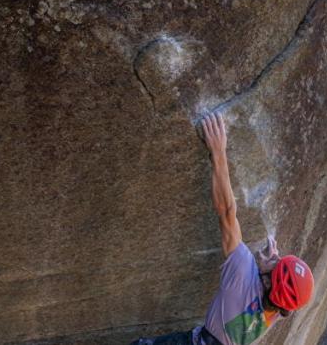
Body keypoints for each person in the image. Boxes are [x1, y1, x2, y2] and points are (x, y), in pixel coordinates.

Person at [131, 112, 314, 345]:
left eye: (277, 263)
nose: (275, 256)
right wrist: (270, 267)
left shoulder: (241, 271)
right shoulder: (279, 310)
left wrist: (218, 152)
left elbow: (227, 212)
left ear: (267, 282)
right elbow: (285, 294)